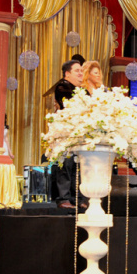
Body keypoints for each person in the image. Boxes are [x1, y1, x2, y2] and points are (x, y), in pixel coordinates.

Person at [54, 59, 85, 209]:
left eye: (82, 71)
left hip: (78, 133)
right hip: (65, 133)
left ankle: (76, 199)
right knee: (65, 166)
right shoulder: (63, 86)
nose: (81, 73)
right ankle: (63, 199)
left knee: (76, 167)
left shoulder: (82, 89)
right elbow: (71, 105)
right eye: (77, 71)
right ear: (67, 74)